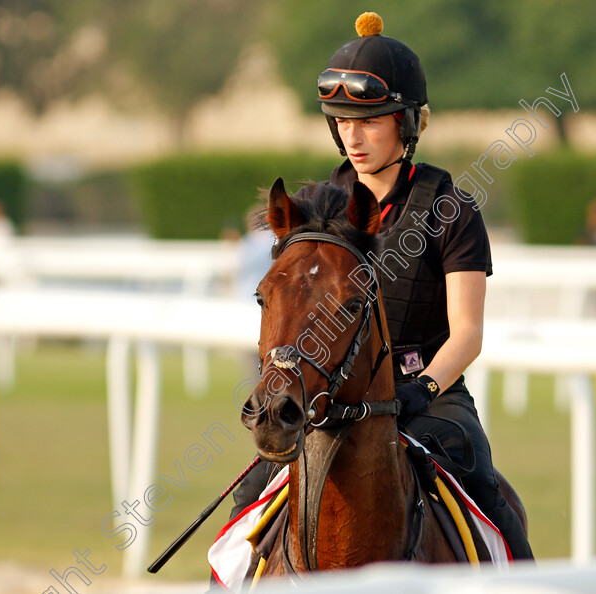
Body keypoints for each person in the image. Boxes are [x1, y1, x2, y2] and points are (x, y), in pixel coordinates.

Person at [228, 11, 534, 562]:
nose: (353, 136)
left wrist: (421, 391)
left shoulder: (451, 210)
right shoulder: (316, 207)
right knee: (245, 502)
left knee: (490, 492)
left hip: (429, 398)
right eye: (343, 122)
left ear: (408, 124)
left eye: (369, 121)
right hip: (331, 395)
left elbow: (467, 333)